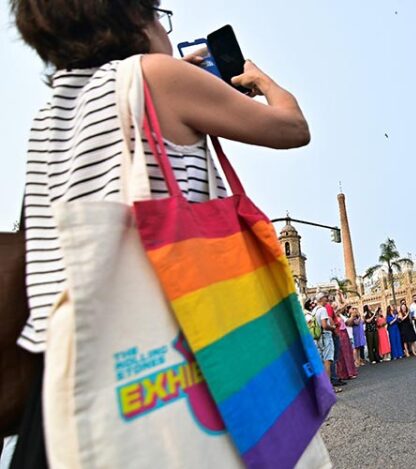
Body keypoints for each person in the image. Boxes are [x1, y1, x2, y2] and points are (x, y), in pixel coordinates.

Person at [10, 2, 311, 466]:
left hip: (72, 372)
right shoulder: (159, 78)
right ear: (131, 17)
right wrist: (259, 79)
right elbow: (292, 128)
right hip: (177, 346)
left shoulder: (49, 116)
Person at [313, 294, 340, 393]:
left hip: (317, 337)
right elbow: (324, 325)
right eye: (325, 297)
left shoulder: (314, 310)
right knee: (327, 362)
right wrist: (332, 328)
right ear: (321, 299)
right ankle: (329, 388)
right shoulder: (323, 310)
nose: (327, 299)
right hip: (325, 337)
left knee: (321, 362)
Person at [334, 302, 357, 380]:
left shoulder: (340, 315)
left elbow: (348, 322)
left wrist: (352, 316)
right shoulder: (332, 315)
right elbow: (338, 309)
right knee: (341, 355)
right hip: (339, 334)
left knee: (347, 353)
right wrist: (344, 305)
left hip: (345, 334)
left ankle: (350, 372)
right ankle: (342, 374)